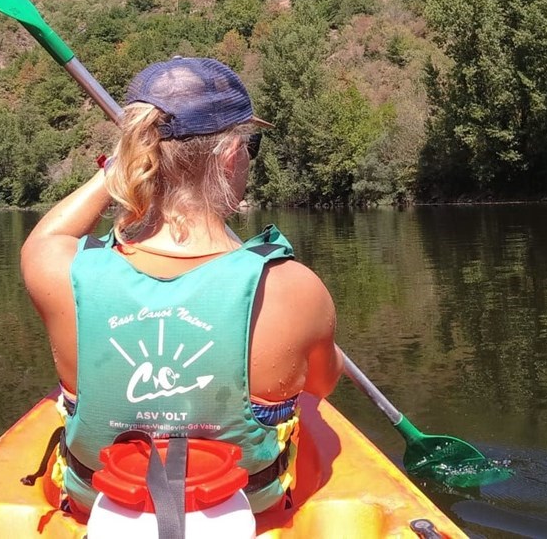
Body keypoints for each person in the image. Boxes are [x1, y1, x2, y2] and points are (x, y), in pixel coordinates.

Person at [21, 57, 341, 515]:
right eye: (253, 144)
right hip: (249, 511)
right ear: (232, 156)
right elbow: (322, 387)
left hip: (98, 506)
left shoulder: (59, 270)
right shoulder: (294, 289)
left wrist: (116, 170)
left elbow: (48, 236)